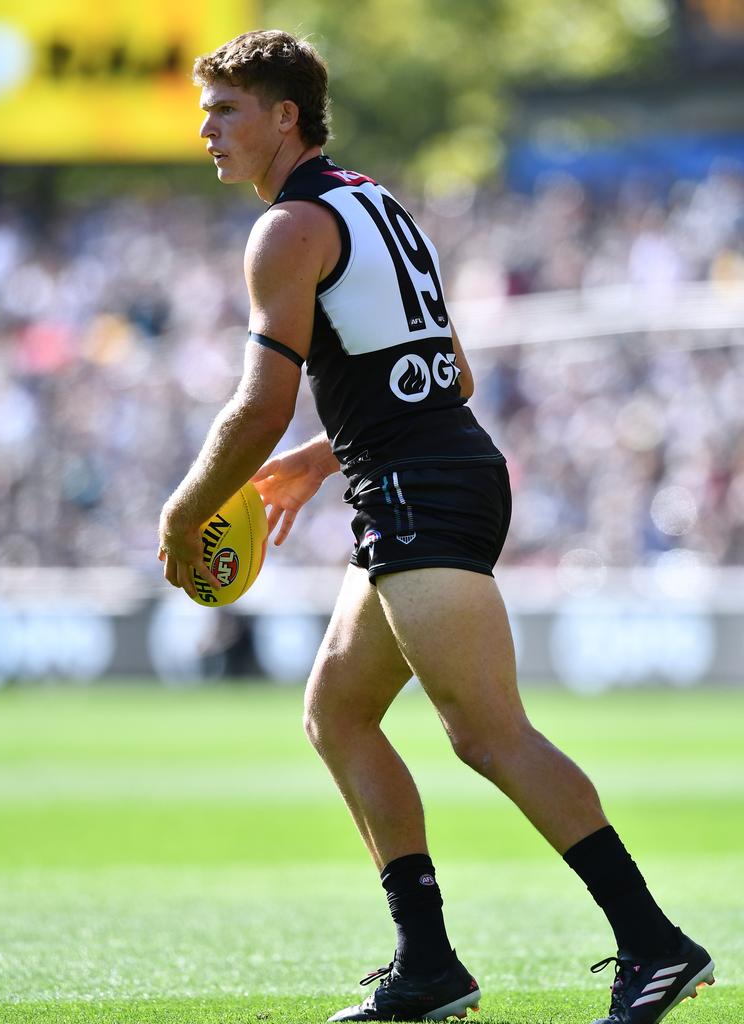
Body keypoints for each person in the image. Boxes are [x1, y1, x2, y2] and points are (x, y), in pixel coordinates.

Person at [157, 29, 714, 1024]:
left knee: (488, 735)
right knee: (337, 709)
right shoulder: (375, 203)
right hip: (429, 470)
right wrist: (329, 456)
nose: (207, 129)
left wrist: (183, 511)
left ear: (285, 116)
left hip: (420, 485)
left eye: (226, 109)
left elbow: (258, 404)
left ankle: (656, 944)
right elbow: (446, 372)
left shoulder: (287, 229)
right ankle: (428, 964)